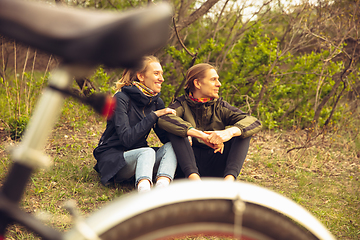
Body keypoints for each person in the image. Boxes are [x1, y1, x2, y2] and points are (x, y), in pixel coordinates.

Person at [158, 63, 262, 181]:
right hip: (188, 166)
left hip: (216, 162)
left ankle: (228, 182)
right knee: (176, 130)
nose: (219, 84)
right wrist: (199, 135)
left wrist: (229, 132)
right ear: (197, 83)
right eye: (213, 80)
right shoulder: (181, 104)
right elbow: (164, 118)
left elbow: (254, 122)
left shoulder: (220, 106)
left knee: (242, 132)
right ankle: (194, 180)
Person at [93, 56, 177, 192]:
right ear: (141, 76)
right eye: (156, 73)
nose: (162, 78)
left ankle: (162, 189)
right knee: (147, 152)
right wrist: (153, 116)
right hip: (116, 158)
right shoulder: (121, 98)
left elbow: (165, 138)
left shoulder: (156, 102)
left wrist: (185, 133)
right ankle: (144, 192)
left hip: (143, 157)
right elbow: (127, 139)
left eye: (162, 74)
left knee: (172, 146)